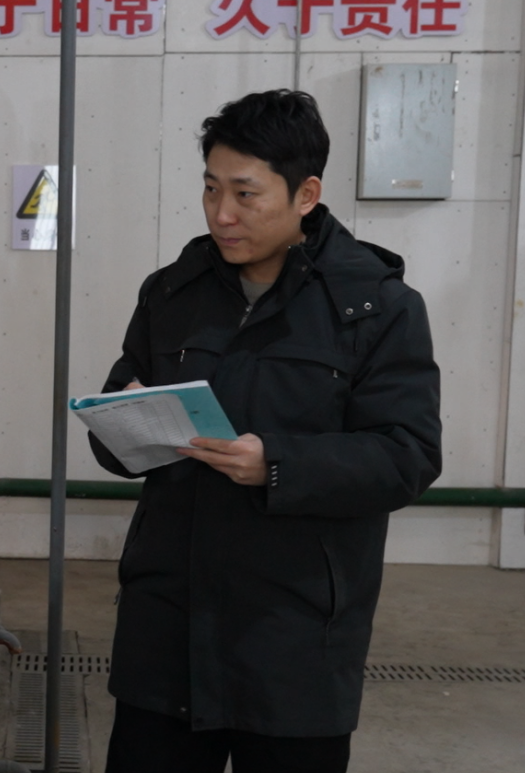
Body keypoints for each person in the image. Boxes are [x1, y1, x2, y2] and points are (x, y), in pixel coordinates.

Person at [90, 89, 442, 773]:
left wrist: (275, 463)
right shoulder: (172, 293)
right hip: (166, 628)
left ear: (306, 194)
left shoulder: (375, 307)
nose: (222, 213)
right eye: (211, 188)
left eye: (246, 194)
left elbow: (407, 455)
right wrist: (122, 424)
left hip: (293, 637)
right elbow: (116, 427)